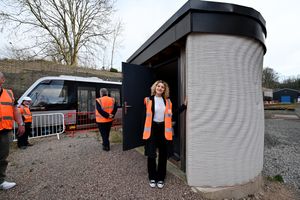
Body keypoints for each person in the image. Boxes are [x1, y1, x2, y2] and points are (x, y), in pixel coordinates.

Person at [143, 80, 175, 189]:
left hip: (163, 130)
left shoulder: (168, 102)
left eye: (162, 87)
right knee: (151, 154)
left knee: (163, 155)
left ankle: (161, 177)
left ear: (164, 90)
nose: (160, 88)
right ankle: (152, 176)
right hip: (152, 130)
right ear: (155, 87)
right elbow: (144, 117)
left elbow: (172, 114)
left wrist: (184, 106)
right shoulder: (148, 100)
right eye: (158, 86)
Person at [0, 71, 25, 190]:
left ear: (3, 80)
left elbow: (15, 110)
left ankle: (1, 181)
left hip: (4, 131)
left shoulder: (9, 94)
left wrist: (21, 123)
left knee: (2, 157)